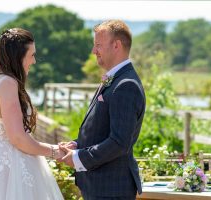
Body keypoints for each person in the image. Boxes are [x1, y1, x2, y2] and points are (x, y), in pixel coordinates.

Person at [0, 28, 64, 200]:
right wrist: (54, 151)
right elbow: (17, 138)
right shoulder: (8, 83)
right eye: (31, 55)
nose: (34, 61)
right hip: (14, 168)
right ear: (18, 56)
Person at [59, 19, 146, 200]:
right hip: (100, 187)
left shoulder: (126, 84)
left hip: (111, 189)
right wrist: (78, 145)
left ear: (116, 45)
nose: (93, 51)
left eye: (98, 45)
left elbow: (119, 142)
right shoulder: (115, 79)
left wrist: (79, 158)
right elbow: (102, 129)